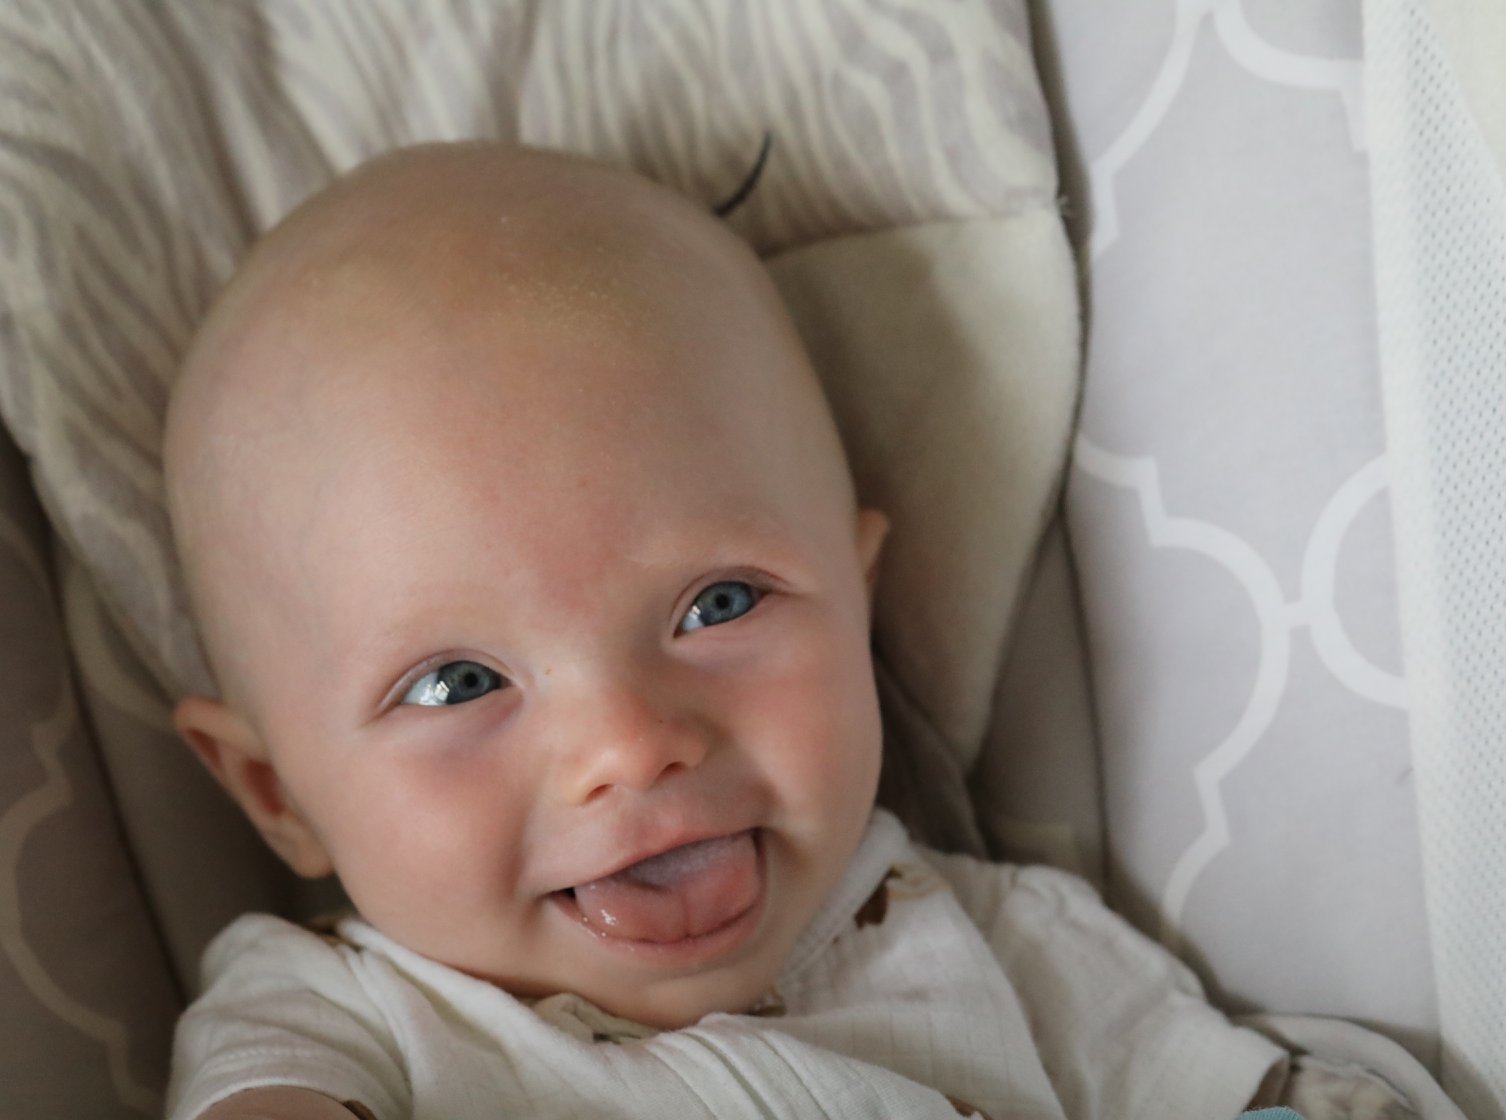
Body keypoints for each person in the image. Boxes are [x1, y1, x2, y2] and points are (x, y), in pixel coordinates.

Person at [162, 142, 1417, 1120]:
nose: (631, 745)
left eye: (719, 604)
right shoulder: (338, 1019)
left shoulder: (1002, 945)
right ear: (279, 791)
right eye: (456, 682)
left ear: (858, 599)